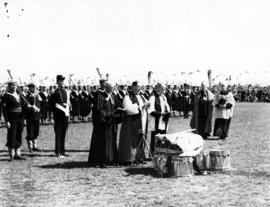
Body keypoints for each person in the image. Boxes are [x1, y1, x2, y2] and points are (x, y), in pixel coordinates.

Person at [118, 81, 150, 165]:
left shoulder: (142, 96)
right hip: (132, 122)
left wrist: (147, 105)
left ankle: (139, 157)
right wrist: (141, 107)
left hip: (142, 120)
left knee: (141, 138)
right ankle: (130, 158)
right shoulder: (127, 97)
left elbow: (147, 104)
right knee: (132, 140)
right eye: (136, 87)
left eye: (139, 87)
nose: (138, 88)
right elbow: (128, 109)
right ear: (132, 87)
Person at [88, 82, 118, 167]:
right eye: (110, 88)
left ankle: (111, 159)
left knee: (111, 142)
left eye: (112, 88)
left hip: (111, 122)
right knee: (103, 143)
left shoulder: (112, 96)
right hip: (104, 123)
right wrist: (107, 115)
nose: (112, 89)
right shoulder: (100, 97)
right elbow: (99, 110)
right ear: (106, 88)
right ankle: (103, 160)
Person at [2, 80, 27, 161]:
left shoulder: (19, 95)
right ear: (8, 87)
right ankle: (11, 155)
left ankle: (18, 154)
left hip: (20, 118)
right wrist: (7, 121)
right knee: (12, 136)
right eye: (11, 86)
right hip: (12, 119)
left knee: (19, 135)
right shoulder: (6, 96)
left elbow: (23, 106)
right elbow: (4, 110)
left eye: (14, 85)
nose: (13, 87)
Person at [49, 75, 70, 157]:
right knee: (58, 134)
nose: (62, 82)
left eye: (63, 81)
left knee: (63, 134)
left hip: (65, 115)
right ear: (57, 82)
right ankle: (58, 152)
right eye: (60, 81)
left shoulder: (65, 91)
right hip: (58, 116)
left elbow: (66, 103)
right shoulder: (55, 92)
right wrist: (54, 113)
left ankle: (62, 151)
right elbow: (51, 105)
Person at [148, 83, 171, 153]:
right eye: (161, 89)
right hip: (156, 121)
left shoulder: (164, 97)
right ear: (157, 88)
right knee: (155, 137)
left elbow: (167, 106)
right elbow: (150, 110)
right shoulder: (153, 97)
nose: (163, 90)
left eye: (163, 89)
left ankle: (161, 152)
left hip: (163, 121)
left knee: (163, 137)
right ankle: (153, 153)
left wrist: (168, 112)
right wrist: (160, 114)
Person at [25, 83, 42, 152]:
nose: (34, 88)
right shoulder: (27, 96)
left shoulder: (37, 95)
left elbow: (39, 104)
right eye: (32, 87)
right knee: (30, 132)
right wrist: (30, 107)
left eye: (34, 87)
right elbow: (25, 106)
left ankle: (35, 146)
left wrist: (38, 108)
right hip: (30, 116)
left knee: (36, 131)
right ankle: (30, 147)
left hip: (36, 116)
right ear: (29, 88)